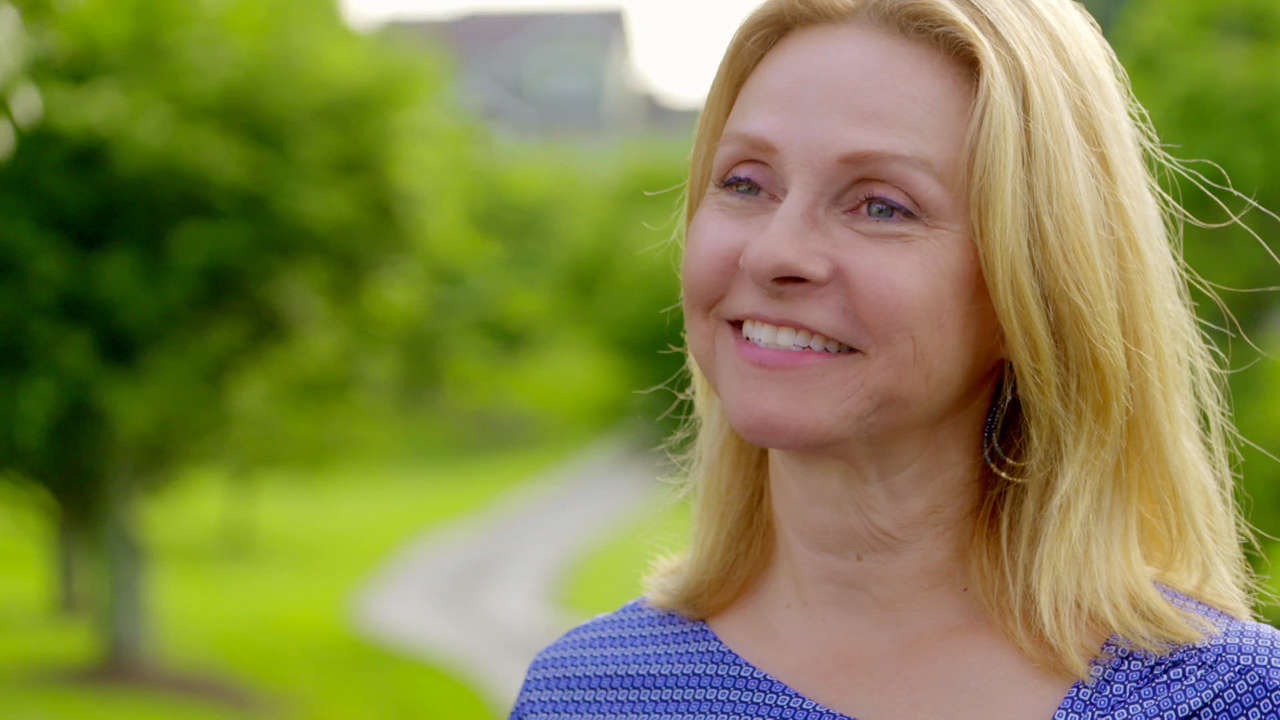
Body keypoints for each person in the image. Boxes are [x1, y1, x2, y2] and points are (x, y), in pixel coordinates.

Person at [510, 0, 1280, 717]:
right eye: (745, 183)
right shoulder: (589, 694)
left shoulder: (1232, 699)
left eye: (881, 205)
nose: (775, 252)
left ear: (1040, 283)